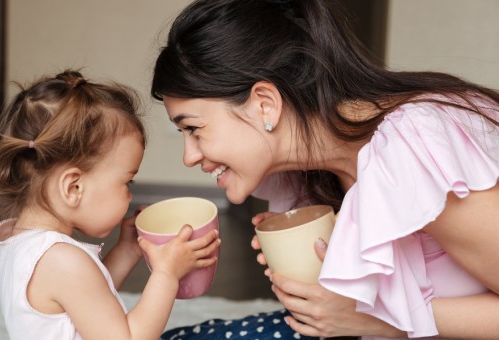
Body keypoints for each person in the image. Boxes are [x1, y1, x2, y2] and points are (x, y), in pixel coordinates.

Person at [151, 0, 499, 339]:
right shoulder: (313, 167)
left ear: (265, 105)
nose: (189, 156)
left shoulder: (417, 147)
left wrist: (382, 318)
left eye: (194, 129)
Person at [0, 70, 221, 340]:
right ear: (73, 188)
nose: (130, 197)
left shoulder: (17, 239)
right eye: (127, 182)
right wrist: (167, 274)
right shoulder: (62, 260)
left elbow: (89, 305)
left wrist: (127, 250)